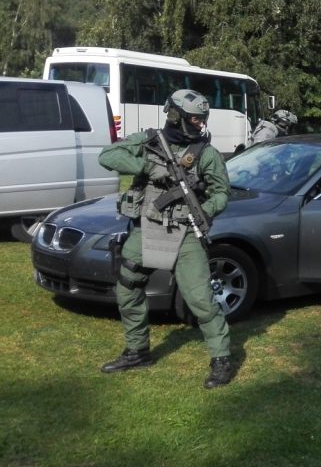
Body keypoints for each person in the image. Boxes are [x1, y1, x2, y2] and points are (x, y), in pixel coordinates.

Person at [98, 89, 235, 389]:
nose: (200, 125)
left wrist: (205, 210)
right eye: (195, 119)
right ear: (176, 115)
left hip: (185, 233)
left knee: (201, 300)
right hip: (148, 228)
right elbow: (108, 155)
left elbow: (222, 192)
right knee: (128, 286)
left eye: (203, 119)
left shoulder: (206, 154)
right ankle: (137, 351)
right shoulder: (149, 141)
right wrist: (148, 166)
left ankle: (221, 358)